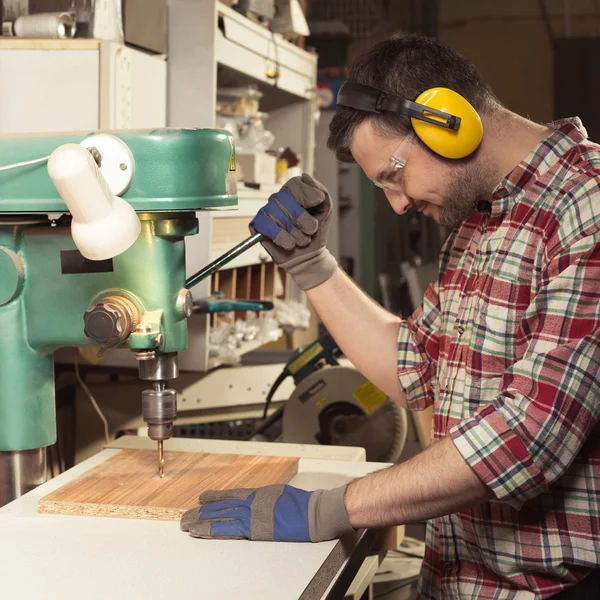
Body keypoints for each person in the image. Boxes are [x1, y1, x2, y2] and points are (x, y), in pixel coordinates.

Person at [180, 33, 600, 599]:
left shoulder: (585, 208)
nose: (397, 203)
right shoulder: (480, 219)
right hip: (455, 581)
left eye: (393, 175)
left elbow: (527, 438)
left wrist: (334, 509)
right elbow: (417, 369)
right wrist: (310, 266)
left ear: (448, 121)